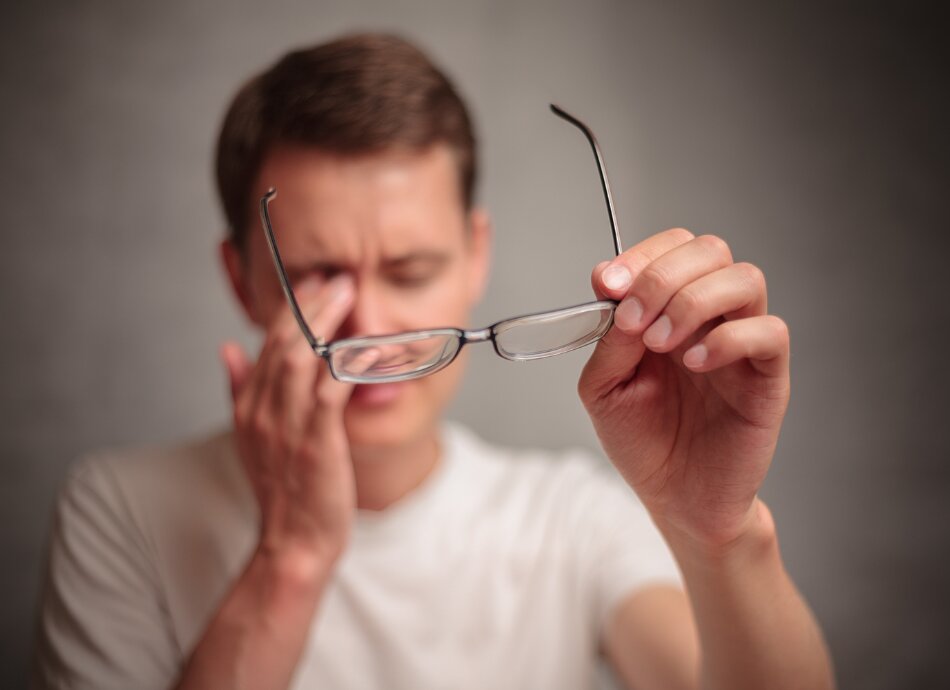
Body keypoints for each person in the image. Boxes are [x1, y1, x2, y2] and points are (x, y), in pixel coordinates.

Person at [31, 32, 835, 690]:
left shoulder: (569, 520)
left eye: (411, 271)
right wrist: (293, 559)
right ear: (243, 280)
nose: (376, 327)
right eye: (319, 277)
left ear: (473, 256)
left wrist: (720, 533)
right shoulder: (120, 510)